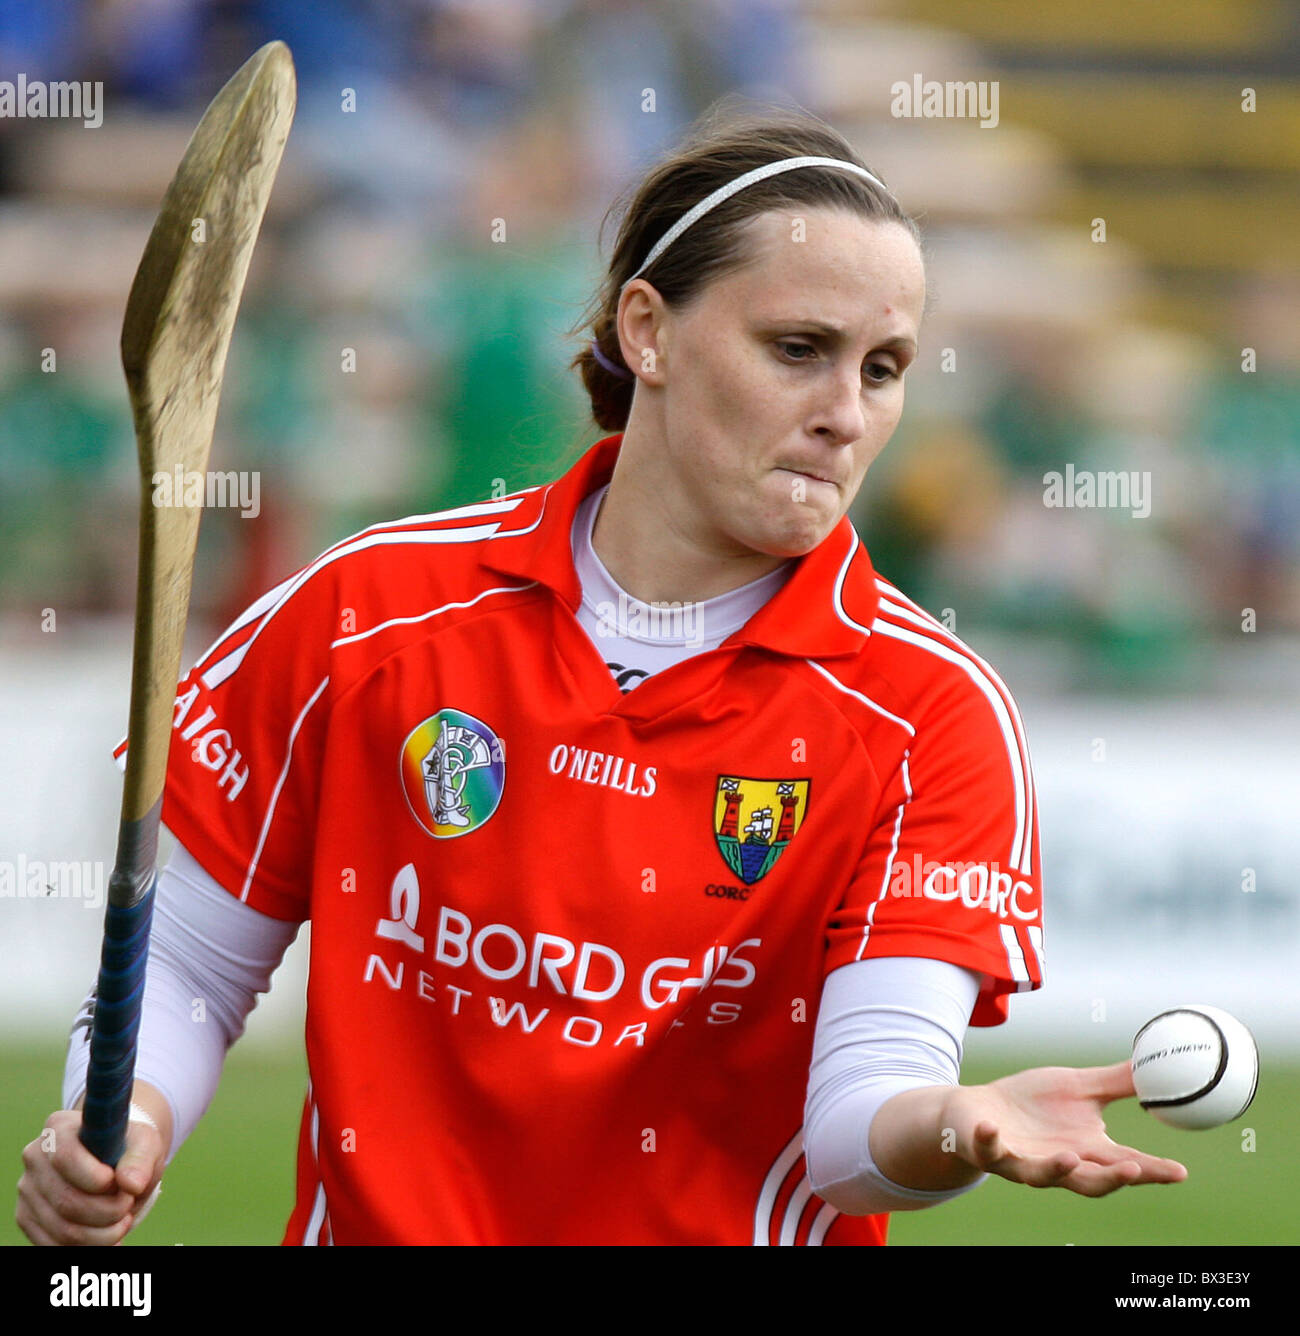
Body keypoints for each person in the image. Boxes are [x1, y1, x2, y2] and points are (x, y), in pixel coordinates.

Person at [17, 103, 1187, 1247]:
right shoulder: (368, 609)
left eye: (882, 369)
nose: (844, 413)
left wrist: (955, 1121)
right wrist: (124, 1120)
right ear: (649, 332)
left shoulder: (932, 714)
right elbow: (186, 964)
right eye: (797, 350)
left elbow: (851, 1126)